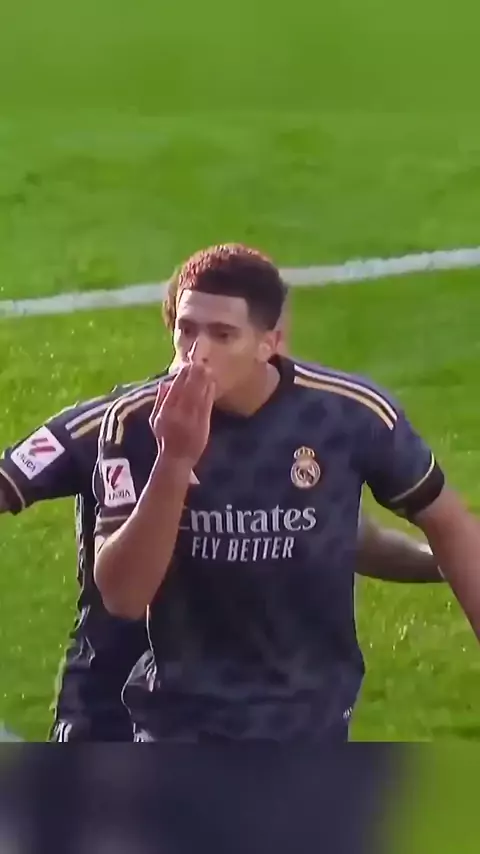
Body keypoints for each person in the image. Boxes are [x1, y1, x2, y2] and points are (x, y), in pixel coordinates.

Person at [0, 272, 442, 743]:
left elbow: (347, 537)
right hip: (114, 703)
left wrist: (446, 563)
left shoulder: (295, 427)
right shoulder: (114, 425)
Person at [93, 242, 479, 746]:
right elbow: (123, 597)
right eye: (186, 329)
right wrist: (175, 459)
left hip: (310, 720)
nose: (197, 352)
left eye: (222, 334)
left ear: (269, 343)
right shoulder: (136, 423)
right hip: (180, 723)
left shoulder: (348, 414)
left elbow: (449, 524)